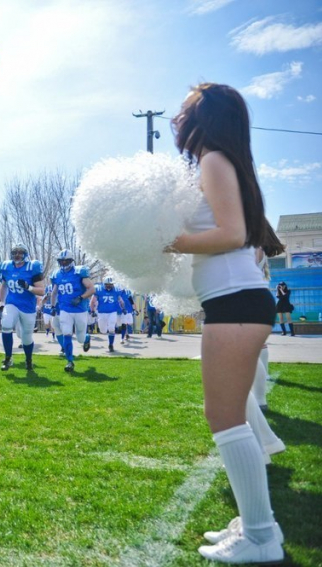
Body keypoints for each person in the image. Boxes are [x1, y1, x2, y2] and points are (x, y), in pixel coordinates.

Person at [167, 83, 285, 563]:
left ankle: (260, 537)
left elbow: (232, 234)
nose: (178, 115)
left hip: (236, 300)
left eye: (185, 107)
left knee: (225, 418)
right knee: (235, 415)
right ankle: (254, 521)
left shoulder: (214, 159)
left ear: (203, 116)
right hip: (232, 300)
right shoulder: (220, 160)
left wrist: (168, 241)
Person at [0, 243, 44, 371]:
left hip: (28, 307)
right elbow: (4, 286)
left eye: (20, 252)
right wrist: (1, 301)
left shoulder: (32, 267)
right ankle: (8, 358)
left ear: (25, 254)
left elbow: (42, 291)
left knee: (26, 337)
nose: (17, 255)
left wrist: (28, 287)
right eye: (15, 252)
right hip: (12, 303)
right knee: (6, 324)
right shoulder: (6, 267)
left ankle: (28, 360)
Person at [50, 249, 94, 373]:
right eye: (61, 261)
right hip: (65, 309)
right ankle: (70, 361)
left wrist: (81, 297)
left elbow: (91, 289)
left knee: (80, 338)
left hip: (80, 309)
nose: (63, 263)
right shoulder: (57, 274)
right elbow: (54, 293)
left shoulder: (79, 272)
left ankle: (86, 338)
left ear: (71, 261)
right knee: (67, 334)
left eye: (66, 261)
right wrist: (53, 307)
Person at [90, 276, 125, 352]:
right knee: (103, 331)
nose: (109, 286)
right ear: (104, 284)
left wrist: (123, 308)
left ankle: (111, 345)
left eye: (110, 284)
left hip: (112, 312)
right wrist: (92, 311)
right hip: (102, 313)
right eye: (107, 284)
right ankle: (106, 334)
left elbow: (121, 301)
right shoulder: (99, 290)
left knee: (112, 328)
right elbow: (92, 301)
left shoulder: (116, 290)